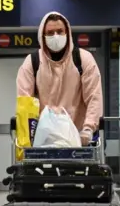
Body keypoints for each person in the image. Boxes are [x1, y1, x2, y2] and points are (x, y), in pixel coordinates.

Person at [16, 11, 103, 146]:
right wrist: (27, 137)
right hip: (44, 141)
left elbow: (94, 97)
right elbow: (24, 102)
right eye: (50, 33)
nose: (55, 36)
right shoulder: (32, 62)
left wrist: (88, 129)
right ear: (42, 36)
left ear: (67, 33)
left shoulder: (83, 59)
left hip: (78, 139)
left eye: (59, 31)